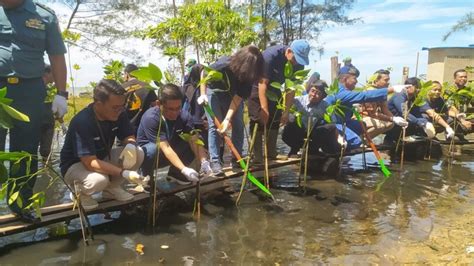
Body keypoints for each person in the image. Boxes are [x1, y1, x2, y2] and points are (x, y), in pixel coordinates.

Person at [0, 0, 67, 222]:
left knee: (26, 150)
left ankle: (20, 204)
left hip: (29, 90)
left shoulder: (44, 16)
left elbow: (57, 56)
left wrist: (61, 93)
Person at [60, 80, 148, 211]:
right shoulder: (82, 122)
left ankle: (111, 188)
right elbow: (90, 163)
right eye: (114, 107)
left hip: (101, 158)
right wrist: (124, 173)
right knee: (99, 180)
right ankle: (80, 193)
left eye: (121, 106)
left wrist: (130, 145)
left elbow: (128, 135)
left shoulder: (119, 113)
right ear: (98, 104)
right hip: (76, 166)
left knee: (138, 152)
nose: (119, 110)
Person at [198, 45, 264, 175]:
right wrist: (202, 93)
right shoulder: (223, 64)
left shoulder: (249, 77)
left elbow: (238, 98)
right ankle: (216, 161)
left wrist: (227, 119)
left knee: (238, 123)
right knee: (214, 127)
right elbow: (203, 73)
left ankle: (237, 159)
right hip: (214, 92)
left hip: (233, 96)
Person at [248, 39, 311, 164]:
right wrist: (264, 109)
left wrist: (286, 111)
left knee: (276, 117)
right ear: (289, 52)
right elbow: (262, 84)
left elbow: (290, 89)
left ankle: (272, 152)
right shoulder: (270, 56)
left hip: (275, 88)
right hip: (257, 87)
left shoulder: (298, 64)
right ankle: (257, 156)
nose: (296, 63)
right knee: (258, 119)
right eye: (295, 59)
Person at [137, 83, 212, 185]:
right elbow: (166, 148)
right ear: (159, 104)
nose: (175, 113)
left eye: (178, 108)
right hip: (152, 156)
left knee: (192, 141)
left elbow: (194, 139)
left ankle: (176, 174)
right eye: (170, 109)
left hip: (170, 150)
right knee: (152, 149)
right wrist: (184, 169)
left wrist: (204, 161)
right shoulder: (151, 118)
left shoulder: (184, 116)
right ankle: (146, 177)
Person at [324, 66, 406, 150]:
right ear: (345, 79)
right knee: (356, 141)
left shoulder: (345, 91)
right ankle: (341, 146)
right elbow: (364, 96)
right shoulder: (339, 92)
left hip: (344, 122)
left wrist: (394, 118)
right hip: (334, 125)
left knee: (361, 125)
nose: (356, 81)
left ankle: (349, 141)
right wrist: (391, 89)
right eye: (354, 78)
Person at [281, 80, 341, 161]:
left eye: (318, 93)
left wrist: (338, 139)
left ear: (322, 96)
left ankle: (313, 151)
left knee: (330, 127)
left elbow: (333, 122)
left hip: (312, 134)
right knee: (292, 120)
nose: (314, 95)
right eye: (312, 91)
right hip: (296, 133)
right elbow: (285, 108)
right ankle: (294, 150)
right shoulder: (298, 101)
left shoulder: (325, 106)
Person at [385, 77, 455, 144]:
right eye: (417, 87)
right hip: (393, 121)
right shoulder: (399, 96)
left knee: (424, 117)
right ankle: (390, 140)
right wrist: (421, 123)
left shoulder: (416, 98)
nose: (419, 90)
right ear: (408, 87)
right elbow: (404, 113)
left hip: (406, 122)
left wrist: (447, 127)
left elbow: (429, 112)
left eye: (419, 88)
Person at [360, 69, 408, 139]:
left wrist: (395, 119)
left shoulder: (383, 93)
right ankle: (362, 141)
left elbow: (385, 109)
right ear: (376, 81)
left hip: (372, 116)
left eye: (388, 80)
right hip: (362, 117)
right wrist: (392, 118)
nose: (388, 83)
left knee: (390, 124)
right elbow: (372, 114)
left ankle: (368, 139)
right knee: (380, 125)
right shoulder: (370, 92)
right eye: (386, 80)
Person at [122, 63, 158, 133]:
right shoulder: (147, 86)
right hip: (143, 126)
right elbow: (156, 106)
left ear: (126, 74)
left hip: (124, 127)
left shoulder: (121, 87)